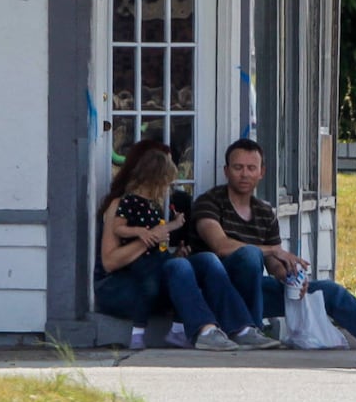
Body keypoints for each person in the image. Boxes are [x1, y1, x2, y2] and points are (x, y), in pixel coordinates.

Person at [189, 138, 356, 349]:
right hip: (217, 292)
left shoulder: (264, 211)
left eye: (251, 168)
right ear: (226, 170)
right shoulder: (209, 202)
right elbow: (220, 246)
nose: (244, 174)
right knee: (249, 255)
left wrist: (290, 276)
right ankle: (249, 329)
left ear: (261, 172)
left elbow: (274, 264)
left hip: (254, 289)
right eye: (238, 167)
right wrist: (271, 250)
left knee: (327, 289)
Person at [94, 144, 274, 352]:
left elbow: (156, 254)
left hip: (153, 279)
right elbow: (110, 262)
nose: (169, 187)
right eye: (164, 179)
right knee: (179, 267)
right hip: (124, 287)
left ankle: (242, 329)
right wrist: (148, 239)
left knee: (206, 260)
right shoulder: (120, 204)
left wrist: (172, 252)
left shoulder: (153, 205)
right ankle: (204, 330)